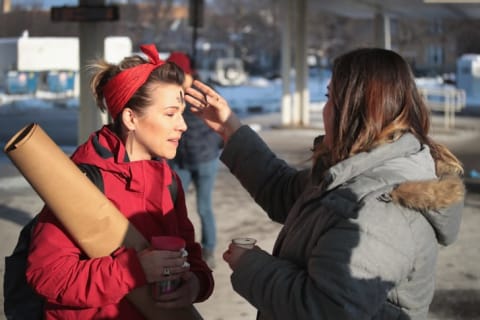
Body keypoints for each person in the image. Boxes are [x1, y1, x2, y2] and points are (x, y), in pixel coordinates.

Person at [184, 48, 465, 319]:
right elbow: (282, 191)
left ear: (356, 108)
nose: (325, 108)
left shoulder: (383, 208)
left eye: (330, 97)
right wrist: (229, 128)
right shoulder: (358, 171)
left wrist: (250, 264)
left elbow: (324, 309)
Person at [25, 44, 214, 319]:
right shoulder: (81, 180)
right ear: (131, 118)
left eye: (182, 113)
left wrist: (196, 284)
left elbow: (190, 255)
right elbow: (47, 275)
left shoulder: (169, 180)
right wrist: (133, 269)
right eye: (171, 113)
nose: (182, 125)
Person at [167, 51, 223, 268]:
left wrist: (215, 145)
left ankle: (208, 250)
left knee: (203, 207)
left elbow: (223, 119)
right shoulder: (173, 93)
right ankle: (178, 250)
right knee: (173, 206)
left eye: (172, 72)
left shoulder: (203, 91)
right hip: (182, 161)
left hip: (205, 160)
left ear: (184, 72)